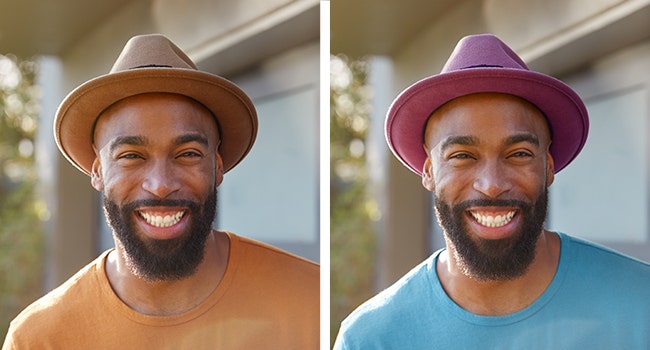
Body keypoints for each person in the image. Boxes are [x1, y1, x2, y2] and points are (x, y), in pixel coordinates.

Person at [334, 33, 650, 349]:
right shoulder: (371, 338)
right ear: (429, 171)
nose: (492, 184)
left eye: (519, 153)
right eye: (462, 156)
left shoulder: (640, 305)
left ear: (548, 166)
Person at [3, 34, 319, 349]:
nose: (161, 184)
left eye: (188, 154)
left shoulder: (310, 301)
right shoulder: (39, 338)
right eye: (131, 156)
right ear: (98, 170)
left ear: (217, 166)